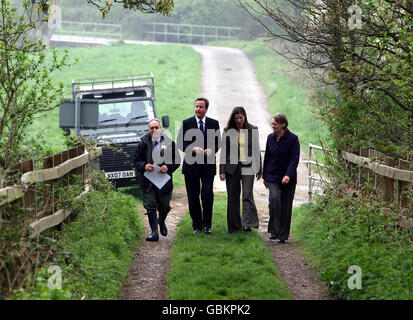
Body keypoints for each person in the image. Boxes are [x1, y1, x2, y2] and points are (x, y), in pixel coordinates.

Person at [177, 97, 221, 234]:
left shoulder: (214, 123)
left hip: (208, 165)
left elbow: (218, 142)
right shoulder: (186, 123)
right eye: (196, 106)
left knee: (207, 194)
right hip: (191, 166)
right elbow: (180, 143)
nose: (198, 109)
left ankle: (207, 225)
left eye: (201, 107)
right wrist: (192, 149)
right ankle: (197, 226)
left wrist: (212, 150)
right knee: (193, 196)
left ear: (206, 109)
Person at [134, 118, 181, 242]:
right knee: (150, 205)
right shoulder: (142, 143)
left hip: (163, 181)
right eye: (152, 128)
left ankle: (162, 221)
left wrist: (168, 167)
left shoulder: (169, 143)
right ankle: (154, 232)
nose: (154, 130)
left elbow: (177, 161)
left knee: (164, 206)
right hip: (148, 181)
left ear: (160, 129)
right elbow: (136, 161)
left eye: (156, 127)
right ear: (149, 129)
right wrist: (144, 166)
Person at [219, 106, 262, 233]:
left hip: (248, 166)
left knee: (247, 195)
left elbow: (256, 149)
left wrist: (259, 168)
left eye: (241, 118)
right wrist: (221, 170)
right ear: (233, 118)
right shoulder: (227, 131)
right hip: (232, 168)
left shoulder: (252, 129)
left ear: (245, 117)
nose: (239, 120)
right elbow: (223, 152)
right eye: (236, 118)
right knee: (233, 197)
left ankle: (247, 224)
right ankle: (234, 226)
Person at [263, 113, 300, 244]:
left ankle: (283, 235)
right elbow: (267, 156)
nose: (273, 126)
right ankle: (274, 230)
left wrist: (288, 175)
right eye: (272, 124)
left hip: (287, 178)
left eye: (275, 124)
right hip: (272, 175)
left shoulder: (293, 139)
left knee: (285, 205)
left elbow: (294, 159)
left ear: (283, 124)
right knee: (274, 200)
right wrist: (264, 175)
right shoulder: (270, 138)